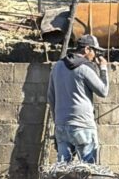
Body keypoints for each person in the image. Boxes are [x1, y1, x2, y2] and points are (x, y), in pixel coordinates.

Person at [46, 34, 109, 163]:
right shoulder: (84, 68)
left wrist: (57, 121)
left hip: (61, 125)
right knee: (88, 167)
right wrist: (103, 68)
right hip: (82, 125)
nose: (95, 56)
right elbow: (103, 91)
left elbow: (51, 97)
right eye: (94, 51)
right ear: (87, 49)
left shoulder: (57, 66)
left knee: (62, 168)